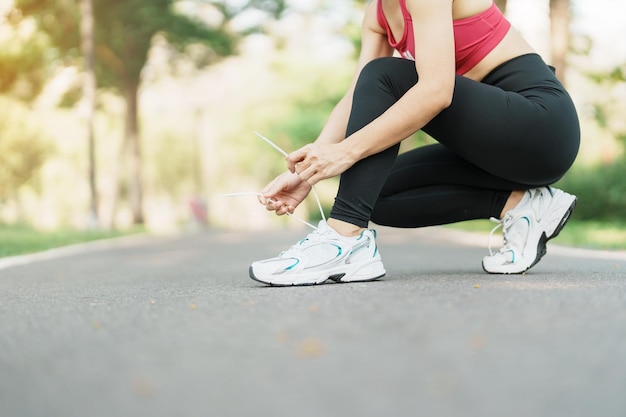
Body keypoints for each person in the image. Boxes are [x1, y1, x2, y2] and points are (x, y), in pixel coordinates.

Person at [249, 0, 580, 286]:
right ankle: (521, 205)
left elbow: (435, 92)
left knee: (387, 74)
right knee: (375, 194)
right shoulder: (377, 13)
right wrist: (309, 169)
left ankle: (343, 239)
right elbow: (358, 95)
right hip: (494, 147)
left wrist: (345, 152)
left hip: (541, 126)